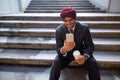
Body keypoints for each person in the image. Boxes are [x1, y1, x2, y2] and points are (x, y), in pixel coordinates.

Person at [49, 6, 101, 80]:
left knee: (93, 63)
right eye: (65, 20)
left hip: (81, 52)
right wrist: (64, 49)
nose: (68, 23)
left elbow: (90, 46)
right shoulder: (59, 30)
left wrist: (84, 56)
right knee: (56, 62)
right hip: (66, 55)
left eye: (71, 20)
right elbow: (58, 49)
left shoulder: (84, 28)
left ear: (75, 18)